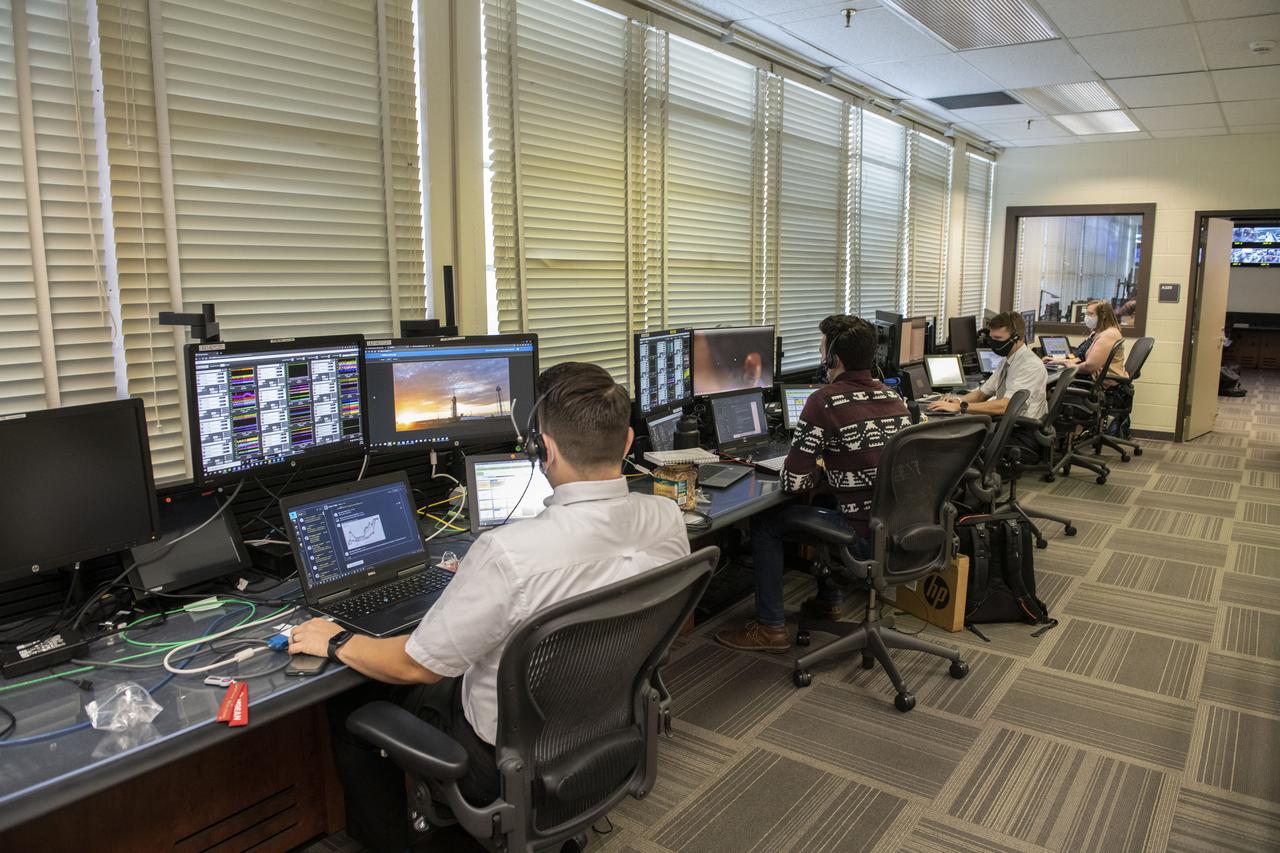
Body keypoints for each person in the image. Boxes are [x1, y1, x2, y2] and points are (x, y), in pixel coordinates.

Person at [289, 362, 690, 852]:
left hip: (500, 760)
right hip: (605, 726)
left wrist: (337, 640)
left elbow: (414, 666)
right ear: (628, 441)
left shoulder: (508, 553)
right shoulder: (667, 516)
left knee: (353, 703)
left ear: (543, 449)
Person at [715, 315, 911, 653]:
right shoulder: (895, 398)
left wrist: (818, 468)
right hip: (898, 532)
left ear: (834, 359)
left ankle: (771, 628)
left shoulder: (824, 401)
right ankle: (828, 601)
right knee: (827, 502)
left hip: (862, 536)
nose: (821, 356)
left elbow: (793, 482)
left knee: (765, 522)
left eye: (823, 350)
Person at [928, 311, 1048, 457]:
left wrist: (961, 407)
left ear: (1017, 338)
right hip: (1009, 428)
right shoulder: (1008, 360)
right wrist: (958, 400)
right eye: (992, 338)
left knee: (957, 447)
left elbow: (1006, 406)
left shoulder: (1029, 365)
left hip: (1024, 435)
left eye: (998, 339)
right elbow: (982, 394)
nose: (993, 343)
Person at [1045, 299, 1127, 380]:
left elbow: (1089, 367)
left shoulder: (1108, 335)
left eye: (1091, 314)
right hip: (1096, 378)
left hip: (1103, 383)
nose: (1087, 317)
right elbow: (1081, 357)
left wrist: (1068, 365)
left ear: (1103, 315)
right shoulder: (1097, 332)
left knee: (1052, 383)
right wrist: (1059, 361)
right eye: (1086, 314)